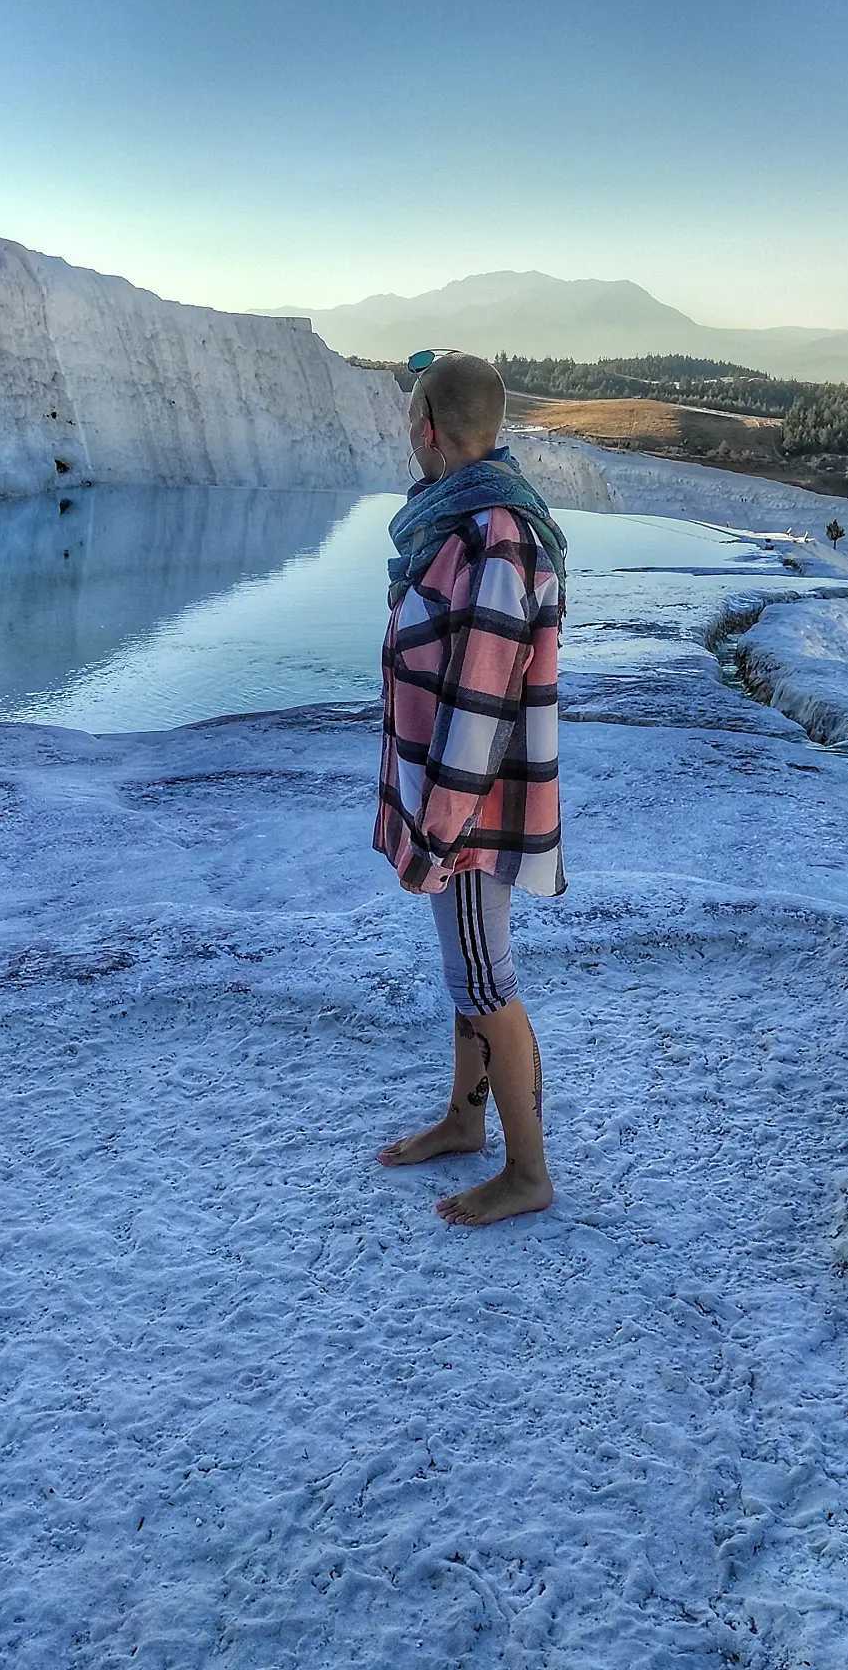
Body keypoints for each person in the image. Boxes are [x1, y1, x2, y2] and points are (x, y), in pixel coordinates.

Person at [373, 350, 568, 1227]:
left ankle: (527, 1170)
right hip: (452, 801)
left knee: (487, 979)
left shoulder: (493, 536)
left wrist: (440, 827)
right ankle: (464, 1120)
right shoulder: (464, 521)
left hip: (472, 808)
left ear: (427, 432)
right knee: (467, 970)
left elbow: (484, 695)